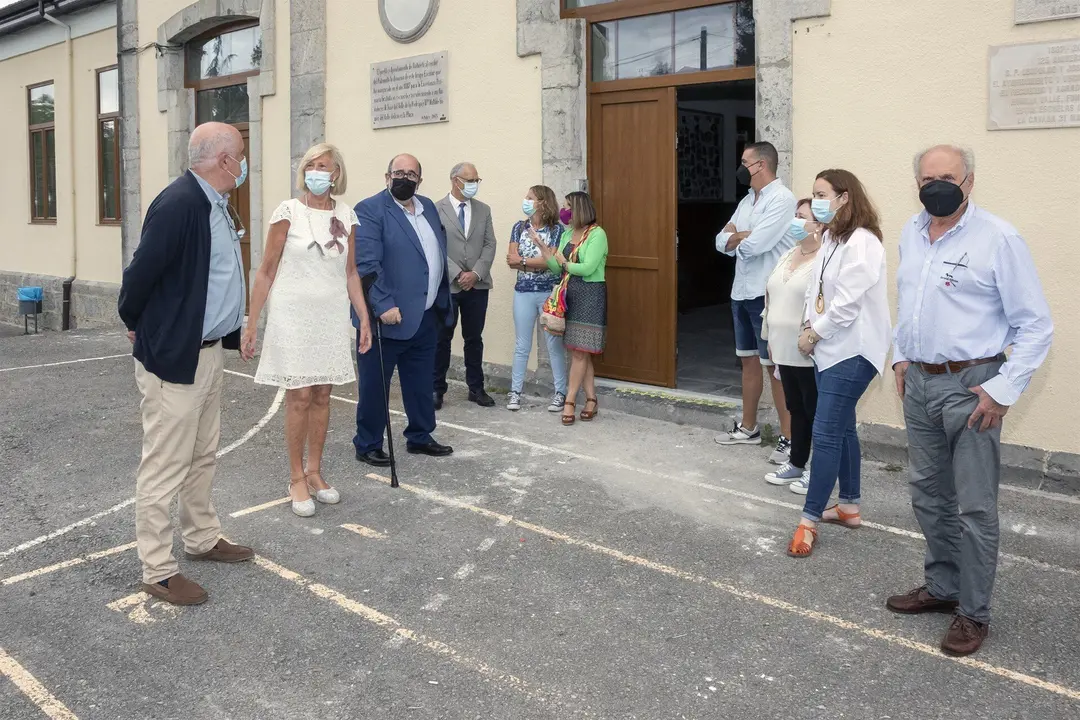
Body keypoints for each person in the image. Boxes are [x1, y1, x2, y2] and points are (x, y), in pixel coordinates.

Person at [886, 145, 1053, 657]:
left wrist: (1001, 391)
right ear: (916, 182)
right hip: (920, 384)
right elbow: (909, 306)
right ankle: (942, 587)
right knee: (927, 495)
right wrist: (900, 358)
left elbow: (1036, 326)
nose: (938, 184)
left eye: (949, 177)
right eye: (928, 177)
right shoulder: (911, 233)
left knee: (975, 507)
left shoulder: (998, 238)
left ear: (970, 181)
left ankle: (973, 612)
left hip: (973, 386)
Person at [117, 121, 254, 607]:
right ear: (223, 160)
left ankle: (201, 537)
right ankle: (157, 568)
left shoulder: (213, 203)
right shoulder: (180, 204)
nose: (243, 162)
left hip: (208, 352)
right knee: (165, 463)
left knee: (203, 454)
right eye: (240, 154)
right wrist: (137, 322)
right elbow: (140, 274)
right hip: (176, 357)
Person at [243, 143, 373, 517]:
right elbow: (266, 270)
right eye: (311, 165)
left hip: (330, 314)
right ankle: (296, 476)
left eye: (324, 166)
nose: (317, 171)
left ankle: (316, 471)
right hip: (292, 314)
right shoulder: (288, 211)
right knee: (298, 395)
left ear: (336, 174)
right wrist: (252, 322)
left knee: (322, 395)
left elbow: (351, 273)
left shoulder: (348, 216)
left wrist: (363, 316)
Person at [786, 169, 891, 559]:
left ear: (845, 198)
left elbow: (846, 304)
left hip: (852, 350)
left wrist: (813, 334)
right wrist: (809, 328)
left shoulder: (862, 242)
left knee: (826, 432)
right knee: (844, 429)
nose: (815, 202)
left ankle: (808, 521)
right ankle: (848, 505)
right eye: (813, 194)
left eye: (821, 194)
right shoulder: (830, 237)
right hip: (830, 349)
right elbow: (818, 292)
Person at [353, 154, 454, 466]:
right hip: (387, 318)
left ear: (419, 181)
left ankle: (420, 436)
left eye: (411, 174)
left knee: (421, 382)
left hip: (425, 315)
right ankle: (368, 442)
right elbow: (367, 264)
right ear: (387, 176)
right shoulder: (369, 209)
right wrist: (383, 306)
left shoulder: (427, 207)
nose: (404, 178)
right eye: (399, 172)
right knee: (375, 386)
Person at [714, 141, 795, 465]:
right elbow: (721, 242)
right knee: (748, 361)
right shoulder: (748, 200)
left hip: (767, 295)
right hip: (741, 292)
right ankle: (748, 428)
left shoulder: (783, 199)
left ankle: (790, 439)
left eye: (745, 161)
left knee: (774, 368)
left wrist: (738, 237)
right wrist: (737, 236)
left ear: (760, 164)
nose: (741, 166)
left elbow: (757, 245)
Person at [761, 199, 821, 494]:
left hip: (808, 351)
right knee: (795, 408)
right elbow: (770, 297)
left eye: (802, 217)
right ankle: (797, 462)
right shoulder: (788, 254)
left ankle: (816, 470)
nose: (795, 221)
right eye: (795, 216)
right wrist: (770, 337)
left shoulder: (823, 259)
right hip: (782, 349)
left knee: (814, 410)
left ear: (818, 224)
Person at [536, 191, 608, 425]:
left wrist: (565, 263)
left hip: (590, 295)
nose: (564, 211)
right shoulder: (567, 233)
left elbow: (587, 268)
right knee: (579, 351)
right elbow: (558, 270)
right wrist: (547, 253)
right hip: (570, 295)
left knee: (579, 351)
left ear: (580, 209)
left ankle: (569, 401)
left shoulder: (597, 234)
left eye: (568, 206)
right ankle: (591, 399)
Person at [434, 162, 498, 409]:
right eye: (469, 180)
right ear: (455, 180)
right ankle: (436, 389)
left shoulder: (483, 210)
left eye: (476, 180)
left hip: (477, 285)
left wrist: (476, 273)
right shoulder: (436, 209)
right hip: (449, 285)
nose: (473, 185)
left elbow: (490, 244)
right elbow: (435, 245)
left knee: (474, 338)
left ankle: (476, 388)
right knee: (442, 338)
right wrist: (458, 273)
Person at [505, 185, 568, 412]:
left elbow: (551, 262)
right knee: (522, 344)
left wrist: (523, 261)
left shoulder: (557, 230)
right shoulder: (518, 227)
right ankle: (515, 392)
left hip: (548, 293)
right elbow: (510, 258)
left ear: (542, 202)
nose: (526, 200)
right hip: (522, 291)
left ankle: (560, 392)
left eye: (530, 197)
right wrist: (532, 262)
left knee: (553, 344)